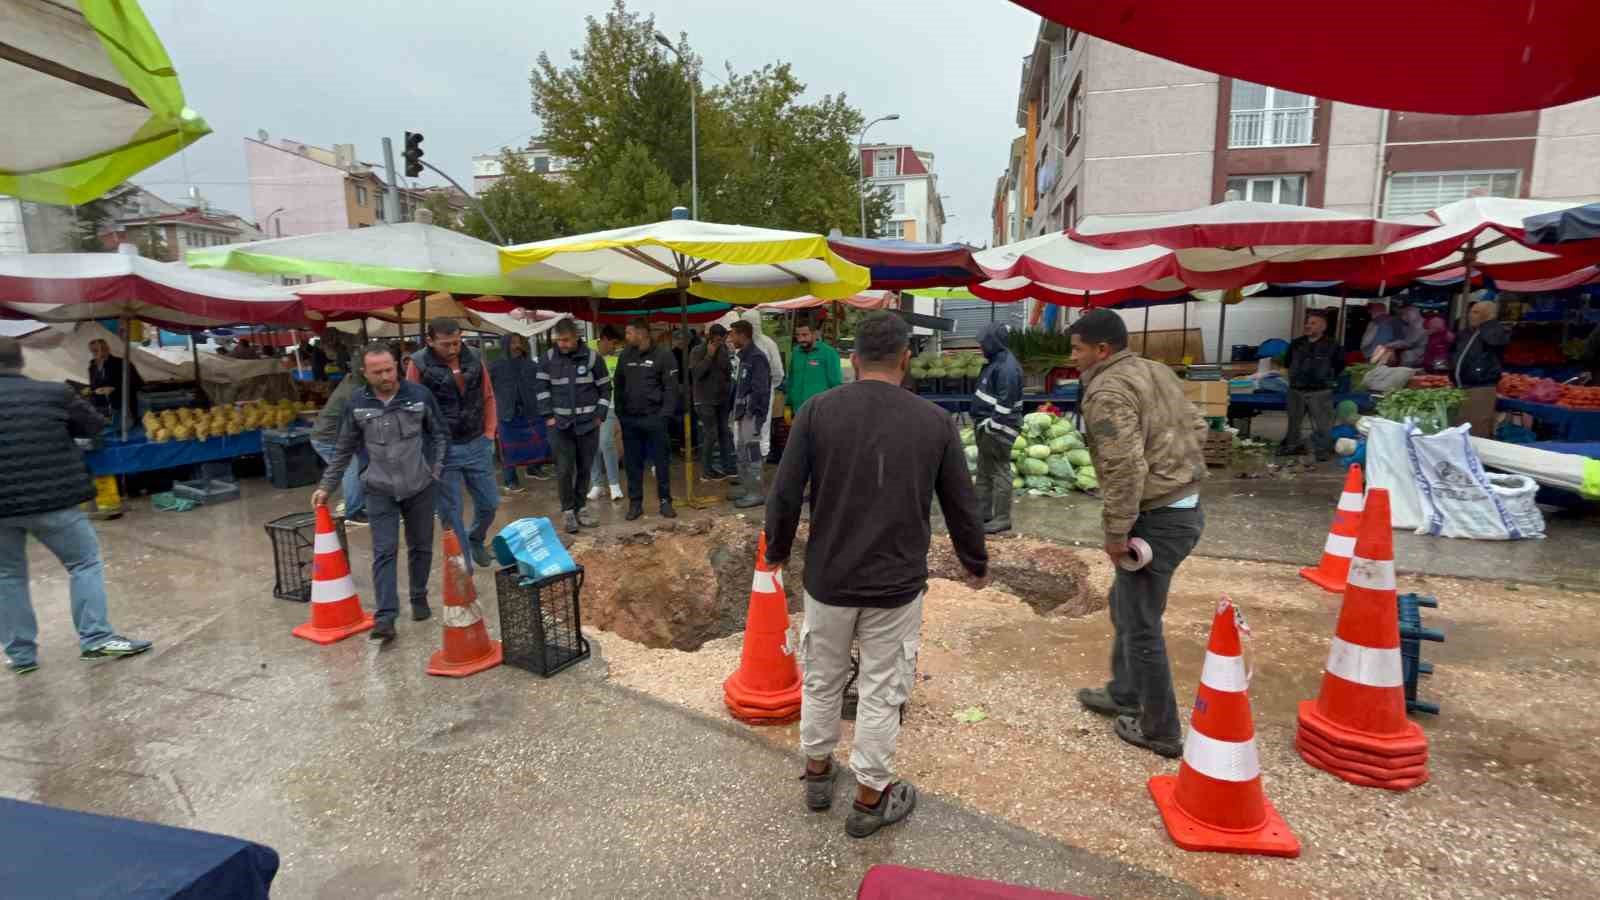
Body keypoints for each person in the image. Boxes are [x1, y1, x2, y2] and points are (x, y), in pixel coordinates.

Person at [766, 311, 987, 839]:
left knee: (822, 677)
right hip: (895, 585)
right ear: (907, 359)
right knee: (883, 689)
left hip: (829, 579)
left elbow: (785, 491)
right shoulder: (934, 422)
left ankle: (818, 774)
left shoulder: (818, 412)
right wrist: (974, 561)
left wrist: (775, 550)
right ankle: (869, 798)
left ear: (853, 360)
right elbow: (961, 503)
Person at [1067, 309, 1206, 760]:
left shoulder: (1106, 389)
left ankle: (1160, 728)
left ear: (1101, 349)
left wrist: (1116, 533)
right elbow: (1198, 426)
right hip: (1185, 503)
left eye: (1077, 348)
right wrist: (1175, 467)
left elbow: (1123, 466)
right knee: (1124, 604)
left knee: (1142, 624)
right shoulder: (1157, 371)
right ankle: (1124, 691)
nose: (1073, 358)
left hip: (1157, 517)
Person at [0, 337, 152, 675]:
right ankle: (96, 639)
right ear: (21, 362)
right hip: (54, 500)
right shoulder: (54, 393)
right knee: (84, 563)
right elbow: (95, 425)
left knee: (7, 575)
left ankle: (21, 656)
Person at [315, 344, 446, 642]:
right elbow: (344, 448)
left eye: (389, 369)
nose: (386, 376)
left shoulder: (419, 396)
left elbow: (440, 435)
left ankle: (419, 597)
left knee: (421, 547)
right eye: (378, 372)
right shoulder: (356, 404)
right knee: (384, 551)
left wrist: (435, 471)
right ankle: (386, 616)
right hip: (378, 489)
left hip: (419, 486)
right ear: (365, 372)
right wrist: (326, 485)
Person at [406, 318, 499, 570]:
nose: (453, 349)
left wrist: (490, 433)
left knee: (490, 503)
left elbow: (488, 395)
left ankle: (476, 538)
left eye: (456, 342)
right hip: (441, 451)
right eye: (446, 344)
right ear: (430, 341)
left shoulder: (474, 357)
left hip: (477, 442)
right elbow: (412, 410)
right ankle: (463, 565)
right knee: (451, 512)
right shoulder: (418, 364)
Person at [536, 318, 610, 533]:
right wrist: (548, 416)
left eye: (566, 340)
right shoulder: (548, 358)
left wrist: (600, 414)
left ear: (576, 337)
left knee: (585, 468)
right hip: (560, 426)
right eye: (559, 340)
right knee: (564, 469)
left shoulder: (593, 358)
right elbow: (540, 388)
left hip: (588, 425)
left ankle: (581, 509)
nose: (563, 345)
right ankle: (568, 511)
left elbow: (606, 388)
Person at [613, 321, 679, 521]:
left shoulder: (664, 355)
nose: (626, 336)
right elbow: (618, 384)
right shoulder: (625, 355)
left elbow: (671, 388)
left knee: (661, 462)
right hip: (631, 420)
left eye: (629, 332)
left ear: (641, 334)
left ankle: (665, 501)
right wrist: (621, 413)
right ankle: (635, 504)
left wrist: (665, 415)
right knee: (633, 464)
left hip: (655, 418)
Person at [972, 322, 1023, 534]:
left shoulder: (1007, 367)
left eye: (984, 342)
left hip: (999, 429)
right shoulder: (996, 362)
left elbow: (1006, 402)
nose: (981, 346)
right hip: (988, 427)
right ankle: (982, 513)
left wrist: (992, 426)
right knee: (984, 472)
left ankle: (1002, 518)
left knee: (1000, 471)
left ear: (994, 342)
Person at [1280, 309, 1345, 462]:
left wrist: (1326, 378)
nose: (1308, 326)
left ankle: (1323, 450)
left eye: (1313, 323)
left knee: (1323, 424)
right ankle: (1292, 446)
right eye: (1307, 323)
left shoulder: (1333, 346)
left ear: (1323, 326)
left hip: (1320, 391)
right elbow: (1287, 363)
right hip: (1296, 389)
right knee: (1294, 422)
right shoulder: (1296, 344)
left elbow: (1340, 365)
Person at [309, 368, 368, 524]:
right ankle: (353, 512)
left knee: (357, 466)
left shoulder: (352, 380)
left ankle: (357, 504)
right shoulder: (356, 390)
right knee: (351, 469)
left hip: (325, 434)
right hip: (328, 438)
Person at [489, 334, 541, 495]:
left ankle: (533, 469)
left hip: (529, 411)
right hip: (506, 412)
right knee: (508, 448)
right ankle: (510, 480)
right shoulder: (495, 366)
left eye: (519, 342)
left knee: (533, 442)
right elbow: (488, 389)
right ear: (505, 345)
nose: (517, 345)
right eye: (513, 342)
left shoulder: (531, 365)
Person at [728, 320, 772, 509]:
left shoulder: (757, 357)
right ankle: (747, 487)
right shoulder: (744, 356)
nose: (731, 338)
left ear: (743, 335)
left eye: (733, 334)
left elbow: (760, 389)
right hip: (743, 414)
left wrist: (751, 413)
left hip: (751, 416)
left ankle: (756, 493)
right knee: (741, 452)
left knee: (752, 453)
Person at [1450, 300, 1510, 437]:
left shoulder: (1496, 330)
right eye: (1470, 312)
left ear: (1489, 315)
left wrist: (1487, 324)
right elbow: (1454, 351)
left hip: (1480, 388)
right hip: (1460, 387)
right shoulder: (1466, 333)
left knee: (1475, 430)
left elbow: (1494, 341)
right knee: (1457, 428)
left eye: (1476, 312)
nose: (1470, 315)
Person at [733, 309, 784, 460]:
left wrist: (768, 389)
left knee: (761, 432)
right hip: (744, 401)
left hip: (759, 400)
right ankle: (747, 470)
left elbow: (778, 372)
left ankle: (758, 467)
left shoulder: (767, 345)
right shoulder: (743, 350)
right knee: (744, 436)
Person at [689, 323, 735, 480]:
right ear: (711, 337)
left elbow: (727, 371)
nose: (722, 341)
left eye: (723, 339)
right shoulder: (697, 351)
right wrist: (709, 355)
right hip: (704, 400)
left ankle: (727, 467)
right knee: (711, 433)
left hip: (721, 399)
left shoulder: (723, 349)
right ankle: (706, 471)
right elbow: (696, 373)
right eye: (719, 339)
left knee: (724, 432)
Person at [588, 325, 626, 502]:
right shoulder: (586, 351)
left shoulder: (616, 359)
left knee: (606, 442)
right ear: (603, 340)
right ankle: (597, 484)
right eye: (612, 344)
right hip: (587, 407)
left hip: (609, 406)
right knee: (592, 445)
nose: (614, 348)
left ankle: (614, 484)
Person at [786, 319, 843, 417]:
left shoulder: (828, 353)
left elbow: (835, 382)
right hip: (798, 409)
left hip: (820, 409)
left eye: (805, 335)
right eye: (798, 335)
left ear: (815, 334)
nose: (800, 339)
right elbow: (791, 379)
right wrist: (788, 402)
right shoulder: (795, 352)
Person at [87, 338, 142, 426]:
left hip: (125, 407)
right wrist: (96, 390)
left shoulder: (122, 363)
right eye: (95, 351)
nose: (99, 353)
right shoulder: (92, 367)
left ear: (108, 349)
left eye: (102, 350)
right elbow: (93, 386)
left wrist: (114, 388)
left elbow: (137, 383)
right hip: (103, 409)